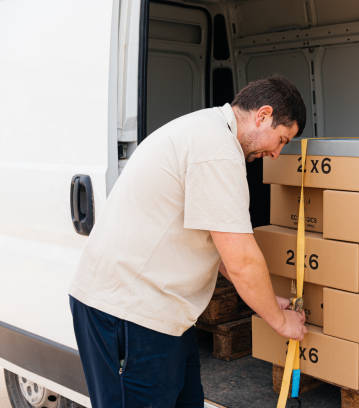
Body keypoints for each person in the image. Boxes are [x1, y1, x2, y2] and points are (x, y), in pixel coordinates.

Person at [68, 76, 308, 408]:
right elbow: (241, 259)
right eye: (281, 139)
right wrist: (280, 322)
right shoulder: (216, 150)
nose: (277, 153)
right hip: (128, 314)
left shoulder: (208, 132)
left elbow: (219, 248)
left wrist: (269, 299)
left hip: (164, 316)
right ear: (263, 115)